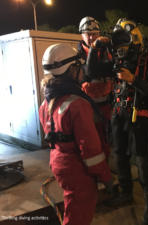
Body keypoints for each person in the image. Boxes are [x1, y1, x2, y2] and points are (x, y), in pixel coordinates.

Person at [86, 18, 148, 225]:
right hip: (119, 117)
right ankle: (126, 194)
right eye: (117, 42)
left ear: (134, 39)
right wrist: (95, 48)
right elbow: (91, 72)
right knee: (120, 158)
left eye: (123, 40)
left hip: (141, 120)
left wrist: (133, 80)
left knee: (143, 163)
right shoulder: (117, 63)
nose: (120, 48)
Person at [39, 43, 113, 225]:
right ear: (72, 71)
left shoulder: (47, 103)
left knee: (72, 207)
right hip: (77, 171)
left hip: (59, 163)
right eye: (79, 67)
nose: (82, 71)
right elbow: (91, 151)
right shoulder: (77, 104)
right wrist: (106, 177)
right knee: (78, 217)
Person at [78, 16, 114, 148]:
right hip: (87, 105)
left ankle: (104, 163)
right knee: (90, 138)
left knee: (106, 139)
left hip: (106, 104)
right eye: (88, 34)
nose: (92, 37)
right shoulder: (78, 54)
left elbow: (113, 68)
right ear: (82, 36)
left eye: (94, 34)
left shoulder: (106, 51)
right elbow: (89, 72)